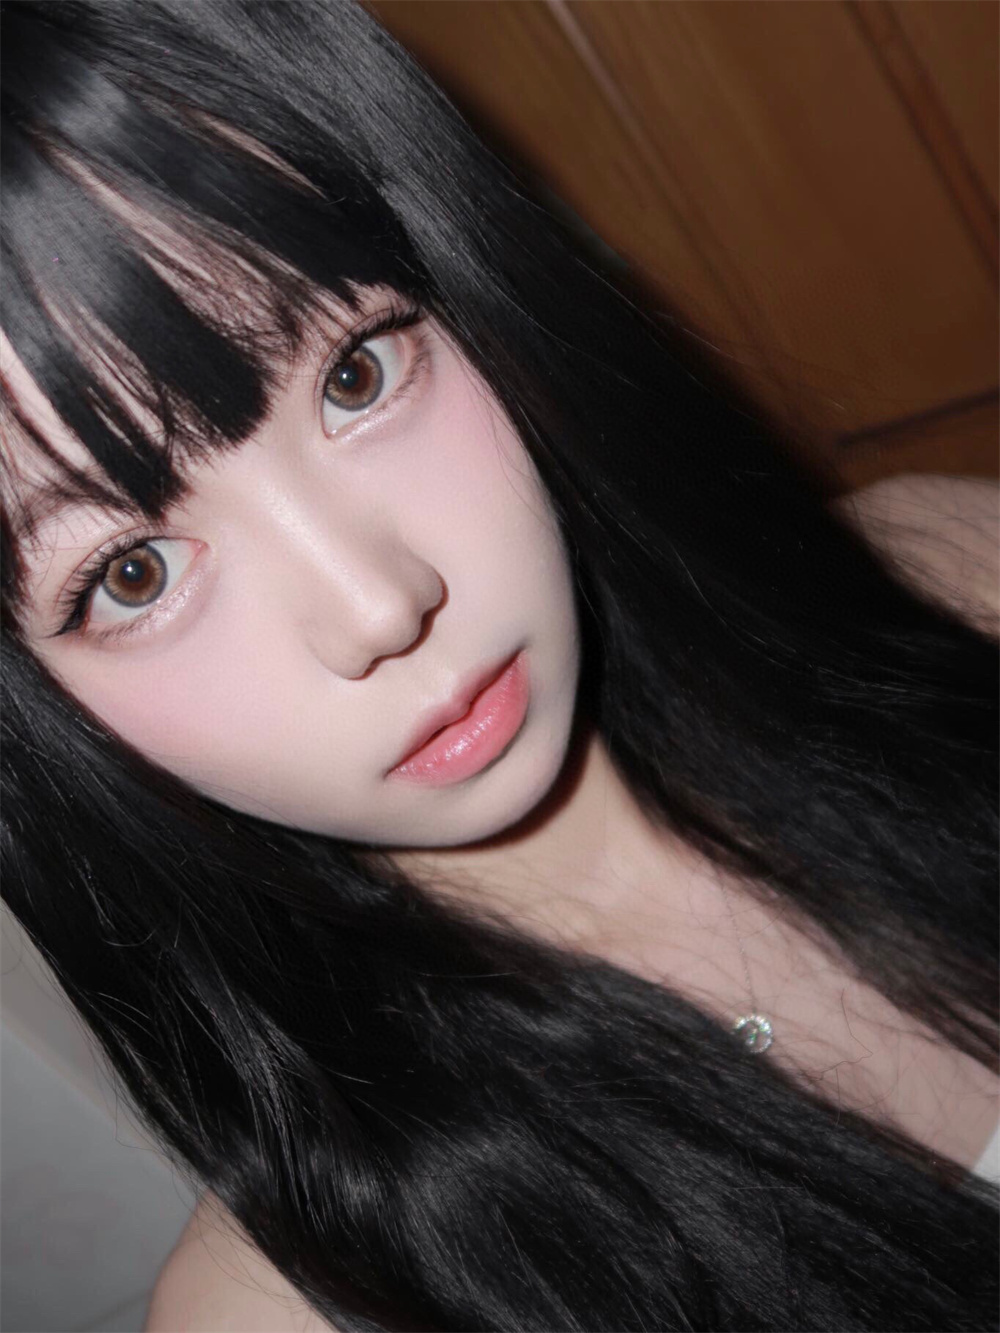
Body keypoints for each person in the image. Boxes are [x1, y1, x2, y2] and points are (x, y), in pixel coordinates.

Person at [1, 2, 997, 1329]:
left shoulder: (960, 573)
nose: (379, 604)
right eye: (132, 573)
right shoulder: (294, 1312)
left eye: (355, 375)